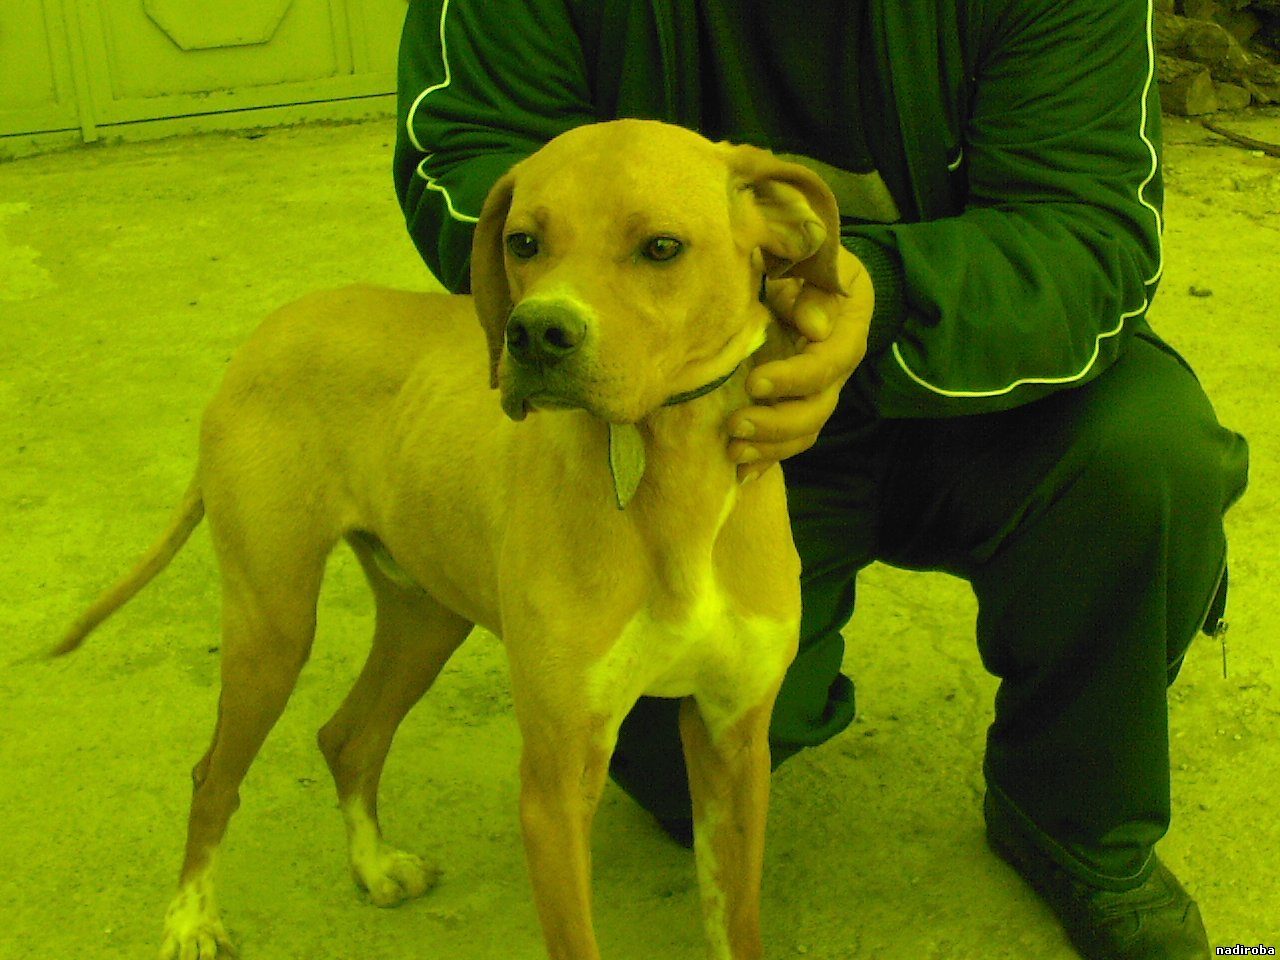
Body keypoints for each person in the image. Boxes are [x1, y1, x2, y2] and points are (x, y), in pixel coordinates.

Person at [392, 2, 1249, 957]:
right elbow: (469, 159)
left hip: (977, 376)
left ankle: (1077, 818)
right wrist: (675, 321)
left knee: (1148, 455)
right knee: (677, 765)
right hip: (684, 409)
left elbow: (1089, 233)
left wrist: (872, 293)